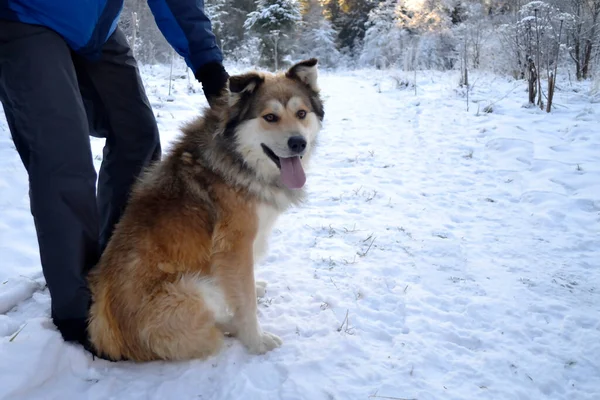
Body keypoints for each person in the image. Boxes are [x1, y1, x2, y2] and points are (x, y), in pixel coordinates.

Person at [0, 0, 229, 357]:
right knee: (62, 155)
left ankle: (122, 272)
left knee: (136, 135)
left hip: (95, 27)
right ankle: (79, 312)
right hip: (24, 16)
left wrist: (209, 67)